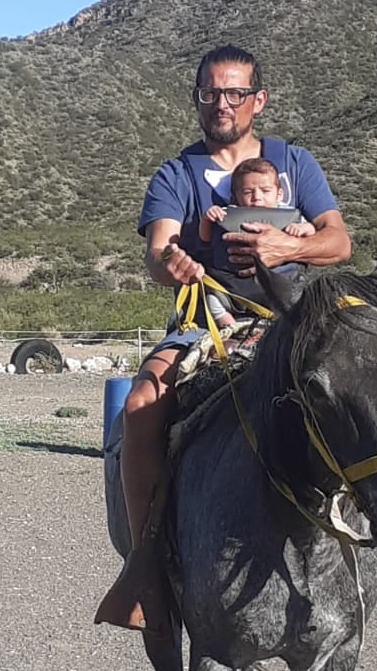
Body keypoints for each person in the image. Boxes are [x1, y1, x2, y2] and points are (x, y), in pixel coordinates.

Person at [95, 44, 352, 633]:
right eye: (209, 93)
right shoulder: (178, 174)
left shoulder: (294, 164)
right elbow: (157, 249)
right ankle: (145, 568)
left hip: (292, 318)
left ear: (257, 100)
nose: (221, 104)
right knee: (140, 404)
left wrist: (290, 247)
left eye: (234, 93)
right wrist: (173, 265)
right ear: (197, 99)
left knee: (376, 376)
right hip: (206, 320)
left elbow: (339, 243)